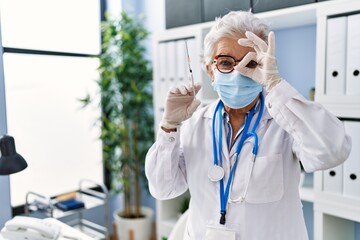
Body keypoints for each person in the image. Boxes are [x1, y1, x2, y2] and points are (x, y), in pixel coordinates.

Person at [145, 10, 351, 240]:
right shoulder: (194, 124)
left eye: (250, 62)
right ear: (210, 70)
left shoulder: (285, 119)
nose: (237, 72)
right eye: (225, 62)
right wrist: (168, 126)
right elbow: (163, 188)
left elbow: (333, 151)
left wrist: (275, 84)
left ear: (264, 66)